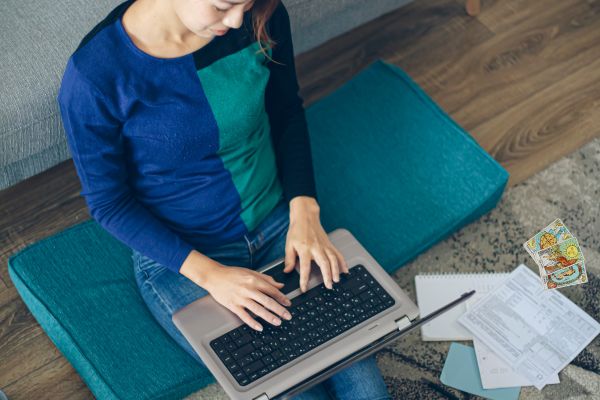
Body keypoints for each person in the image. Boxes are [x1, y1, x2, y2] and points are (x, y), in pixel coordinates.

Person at [57, 0, 392, 398]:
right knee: (295, 389)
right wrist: (211, 275)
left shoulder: (263, 12)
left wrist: (305, 209)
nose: (237, 20)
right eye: (223, 6)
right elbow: (109, 203)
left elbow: (286, 111)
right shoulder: (94, 77)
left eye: (245, 3)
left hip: (279, 218)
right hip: (187, 256)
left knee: (365, 384)